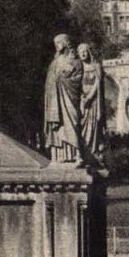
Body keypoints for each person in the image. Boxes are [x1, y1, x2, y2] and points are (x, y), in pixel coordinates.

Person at [43, 35, 83, 164]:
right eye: (55, 43)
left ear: (66, 43)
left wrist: (63, 79)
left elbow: (77, 79)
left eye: (59, 43)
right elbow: (49, 82)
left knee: (72, 122)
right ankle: (59, 156)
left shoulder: (75, 61)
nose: (57, 45)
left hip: (69, 97)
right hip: (55, 99)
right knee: (58, 127)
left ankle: (77, 155)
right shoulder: (54, 63)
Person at [78, 42, 105, 164]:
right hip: (81, 100)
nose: (83, 53)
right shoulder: (78, 67)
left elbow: (98, 83)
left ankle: (93, 152)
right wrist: (82, 97)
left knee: (93, 126)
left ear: (89, 52)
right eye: (81, 51)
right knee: (81, 125)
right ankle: (83, 151)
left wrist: (89, 97)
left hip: (93, 101)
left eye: (85, 51)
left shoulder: (96, 66)